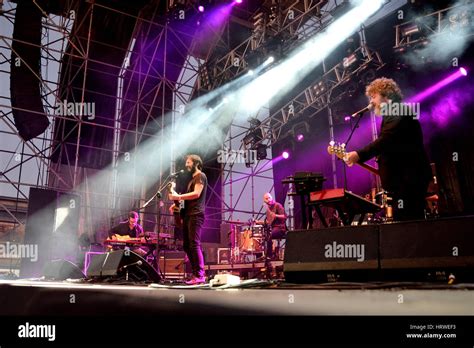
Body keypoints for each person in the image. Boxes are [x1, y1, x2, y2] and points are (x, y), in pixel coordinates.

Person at [344, 77, 432, 221]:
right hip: (404, 179)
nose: (371, 102)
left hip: (408, 178)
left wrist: (359, 154)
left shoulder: (398, 110)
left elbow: (387, 139)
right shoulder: (392, 113)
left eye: (374, 96)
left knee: (408, 223)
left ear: (387, 95)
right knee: (406, 222)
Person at [168, 154, 208, 285]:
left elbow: (196, 194)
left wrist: (179, 197)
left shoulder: (200, 176)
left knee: (194, 244)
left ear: (196, 163)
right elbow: (188, 201)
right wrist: (176, 205)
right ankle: (196, 273)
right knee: (186, 245)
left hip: (196, 214)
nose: (186, 165)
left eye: (188, 162)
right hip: (188, 214)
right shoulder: (192, 180)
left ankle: (200, 275)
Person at [261, 193, 287, 259]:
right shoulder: (268, 210)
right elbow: (269, 222)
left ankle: (269, 255)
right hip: (273, 228)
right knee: (265, 236)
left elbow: (284, 216)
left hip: (280, 227)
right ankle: (267, 254)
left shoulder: (278, 205)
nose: (268, 200)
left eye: (269, 197)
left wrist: (276, 215)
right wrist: (259, 222)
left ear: (271, 198)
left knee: (270, 235)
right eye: (266, 199)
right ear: (265, 201)